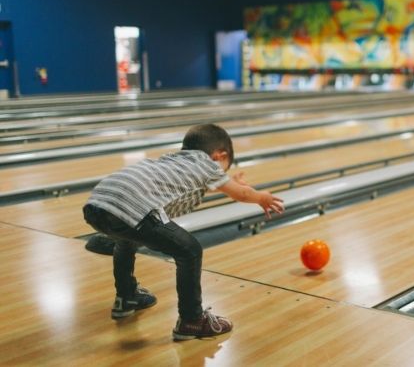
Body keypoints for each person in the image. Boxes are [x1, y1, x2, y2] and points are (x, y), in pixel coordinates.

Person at [82, 124, 284, 340]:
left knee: (126, 240)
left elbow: (217, 185)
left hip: (99, 202)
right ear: (219, 156)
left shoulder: (176, 160)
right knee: (190, 251)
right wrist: (261, 197)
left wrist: (233, 183)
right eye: (224, 170)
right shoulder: (209, 165)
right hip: (133, 206)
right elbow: (241, 194)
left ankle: (126, 296)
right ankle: (192, 320)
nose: (221, 176)